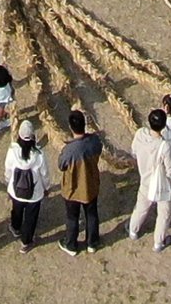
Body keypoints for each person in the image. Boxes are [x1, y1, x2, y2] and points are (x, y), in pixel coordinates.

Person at [127, 107, 171, 251]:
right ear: (163, 126)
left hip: (145, 180)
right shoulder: (164, 146)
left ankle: (133, 230)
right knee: (164, 213)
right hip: (162, 185)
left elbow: (134, 152)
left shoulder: (140, 134)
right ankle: (158, 243)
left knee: (141, 207)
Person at [58, 106, 104, 255]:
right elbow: (99, 149)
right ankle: (92, 243)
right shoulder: (94, 141)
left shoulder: (70, 150)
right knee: (92, 214)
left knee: (72, 217)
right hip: (90, 184)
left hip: (73, 189)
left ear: (71, 127)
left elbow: (61, 165)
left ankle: (71, 245)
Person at [5, 118, 50, 252]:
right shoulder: (39, 154)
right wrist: (46, 188)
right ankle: (26, 242)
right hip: (34, 193)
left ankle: (15, 227)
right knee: (31, 217)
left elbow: (8, 169)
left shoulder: (13, 151)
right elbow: (45, 174)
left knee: (16, 210)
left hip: (16, 190)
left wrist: (8, 182)